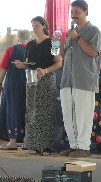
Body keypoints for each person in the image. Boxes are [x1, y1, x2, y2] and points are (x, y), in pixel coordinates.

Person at [59, 0, 101, 158]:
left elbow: (94, 53)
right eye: (72, 12)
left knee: (83, 115)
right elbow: (62, 57)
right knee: (68, 115)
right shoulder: (70, 33)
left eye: (77, 12)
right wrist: (57, 47)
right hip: (67, 80)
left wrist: (77, 38)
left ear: (86, 12)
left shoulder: (93, 31)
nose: (74, 15)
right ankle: (73, 145)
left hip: (84, 79)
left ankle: (83, 147)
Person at [15, 16, 62, 155]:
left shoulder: (54, 41)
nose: (34, 28)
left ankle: (46, 146)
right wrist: (22, 65)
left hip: (46, 77)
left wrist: (46, 70)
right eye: (32, 26)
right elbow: (29, 62)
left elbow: (59, 62)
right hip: (31, 77)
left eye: (36, 25)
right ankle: (33, 144)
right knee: (32, 111)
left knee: (46, 111)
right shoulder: (29, 44)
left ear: (43, 26)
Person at [0, 30, 31, 150]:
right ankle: (28, 141)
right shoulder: (31, 49)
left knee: (12, 111)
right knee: (28, 111)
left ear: (18, 38)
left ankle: (12, 142)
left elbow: (3, 69)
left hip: (12, 84)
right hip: (29, 84)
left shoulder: (11, 49)